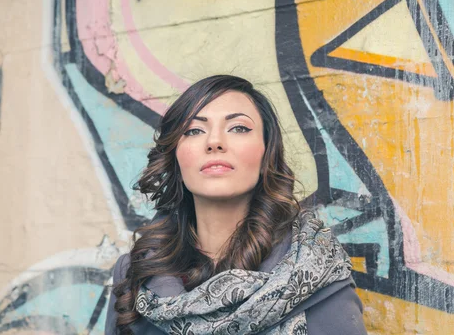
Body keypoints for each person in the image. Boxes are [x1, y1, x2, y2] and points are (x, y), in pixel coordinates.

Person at [105, 75, 367, 334]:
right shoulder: (136, 274)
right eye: (194, 130)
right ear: (175, 156)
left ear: (267, 151)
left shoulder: (315, 269)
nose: (214, 142)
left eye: (238, 128)